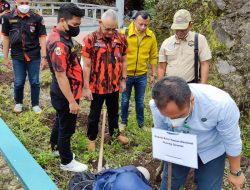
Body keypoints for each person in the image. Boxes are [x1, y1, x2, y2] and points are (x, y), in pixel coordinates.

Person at [150, 76, 246, 190]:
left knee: (209, 187)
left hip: (211, 148)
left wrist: (235, 172)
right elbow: (161, 132)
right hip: (179, 144)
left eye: (179, 116)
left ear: (192, 100)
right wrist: (165, 150)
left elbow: (231, 139)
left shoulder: (220, 105)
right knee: (171, 182)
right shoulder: (156, 105)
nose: (174, 122)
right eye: (168, 117)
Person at [47, 3, 87, 172]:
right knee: (67, 128)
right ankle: (66, 161)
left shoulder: (59, 35)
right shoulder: (59, 44)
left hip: (62, 91)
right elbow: (61, 75)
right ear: (63, 20)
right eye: (75, 25)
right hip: (65, 93)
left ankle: (56, 148)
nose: (77, 28)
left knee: (60, 120)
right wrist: (72, 101)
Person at [82, 9, 129, 151]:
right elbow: (87, 65)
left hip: (114, 85)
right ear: (100, 23)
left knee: (114, 112)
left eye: (113, 29)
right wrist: (86, 87)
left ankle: (115, 134)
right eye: (107, 29)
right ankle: (91, 138)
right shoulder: (90, 39)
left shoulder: (121, 39)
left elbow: (124, 61)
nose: (110, 32)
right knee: (94, 114)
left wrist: (123, 79)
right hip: (97, 86)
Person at [2, 0, 47, 113]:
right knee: (18, 82)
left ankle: (35, 104)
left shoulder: (37, 18)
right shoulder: (8, 17)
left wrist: (44, 57)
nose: (24, 5)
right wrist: (6, 58)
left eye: (27, 2)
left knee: (35, 81)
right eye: (22, 2)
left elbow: (42, 37)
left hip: (34, 55)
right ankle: (18, 103)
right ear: (16, 2)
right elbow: (6, 38)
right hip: (17, 56)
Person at [119, 10, 158, 131]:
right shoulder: (123, 33)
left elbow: (153, 56)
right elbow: (117, 54)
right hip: (126, 75)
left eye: (146, 25)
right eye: (141, 24)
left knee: (140, 101)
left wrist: (153, 74)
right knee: (125, 100)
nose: (143, 27)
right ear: (134, 21)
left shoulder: (151, 36)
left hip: (141, 74)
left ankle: (141, 123)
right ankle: (123, 122)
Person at [158, 9, 211, 83]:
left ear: (190, 25)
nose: (179, 32)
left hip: (191, 85)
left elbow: (204, 64)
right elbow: (161, 68)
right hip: (170, 86)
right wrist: (160, 88)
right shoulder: (166, 42)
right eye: (177, 29)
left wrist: (202, 86)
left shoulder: (199, 39)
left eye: (183, 29)